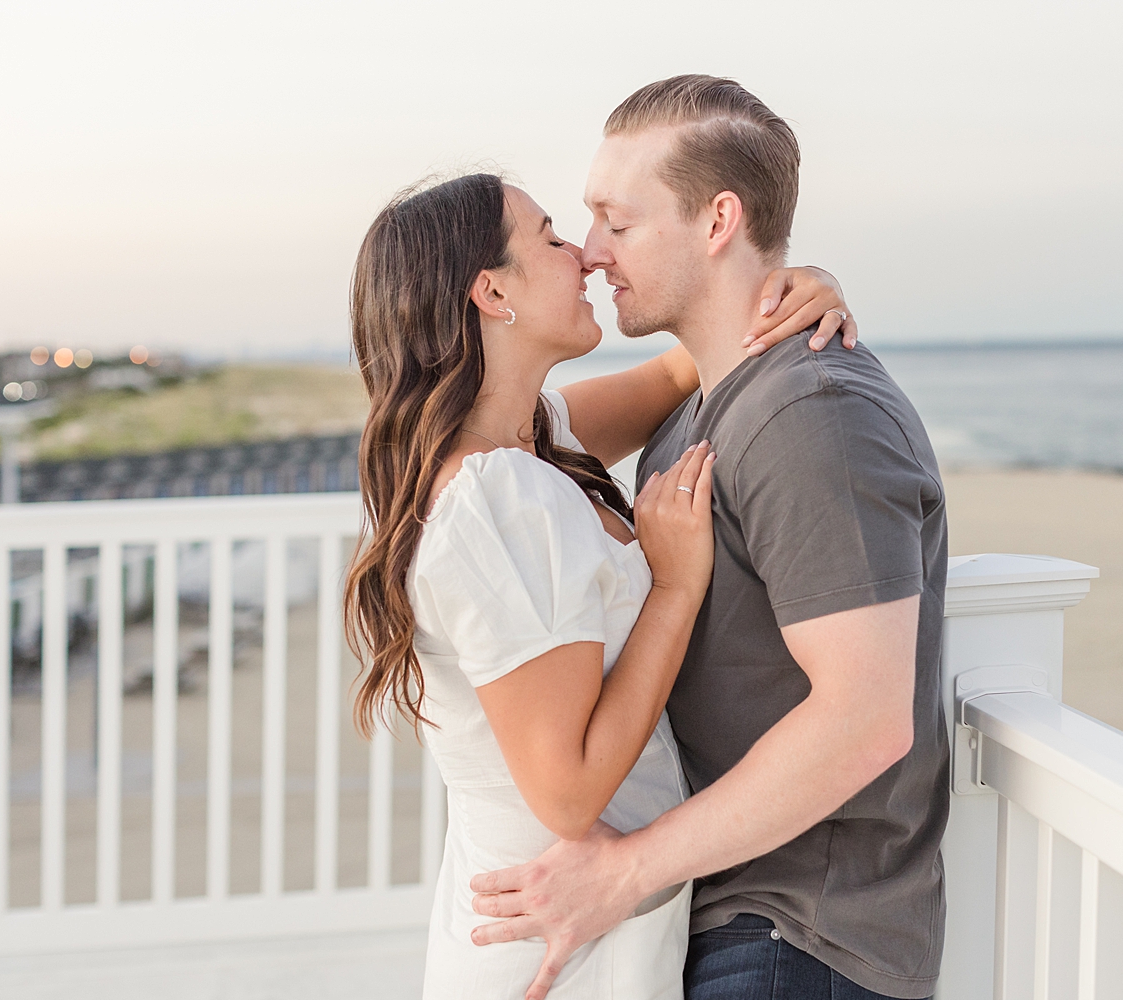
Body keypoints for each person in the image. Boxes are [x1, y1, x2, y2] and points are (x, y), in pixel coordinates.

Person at [468, 76, 950, 1000]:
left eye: (618, 221)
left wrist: (624, 871)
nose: (593, 252)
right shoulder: (698, 408)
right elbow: (501, 436)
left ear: (718, 219)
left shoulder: (817, 414)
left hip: (798, 938)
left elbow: (865, 717)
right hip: (720, 916)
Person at [343, 170, 857, 999]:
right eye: (549, 236)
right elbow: (570, 790)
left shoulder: (532, 439)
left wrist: (791, 291)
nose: (583, 255)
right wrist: (675, 588)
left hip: (588, 915)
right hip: (558, 936)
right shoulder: (494, 498)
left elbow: (673, 376)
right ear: (491, 290)